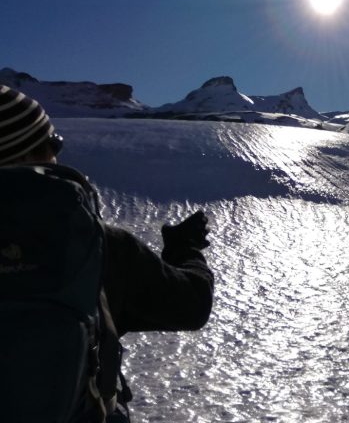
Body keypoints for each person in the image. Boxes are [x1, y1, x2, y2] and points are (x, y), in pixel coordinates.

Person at [0, 85, 214, 422]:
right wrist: (184, 247)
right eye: (53, 142)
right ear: (31, 152)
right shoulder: (95, 246)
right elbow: (192, 305)